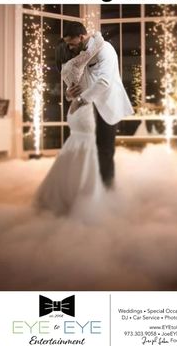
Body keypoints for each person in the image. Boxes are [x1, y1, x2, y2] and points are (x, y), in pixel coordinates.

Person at [34, 33, 105, 216]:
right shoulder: (75, 63)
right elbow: (97, 44)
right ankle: (82, 193)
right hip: (83, 111)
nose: (74, 48)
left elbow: (70, 92)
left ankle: (68, 188)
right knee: (87, 147)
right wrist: (92, 34)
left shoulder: (65, 68)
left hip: (74, 112)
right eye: (71, 47)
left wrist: (68, 95)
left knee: (76, 148)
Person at [63, 22, 134, 188]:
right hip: (88, 108)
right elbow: (75, 81)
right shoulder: (81, 54)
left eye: (71, 43)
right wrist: (69, 94)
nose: (69, 47)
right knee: (87, 150)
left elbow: (104, 81)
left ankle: (107, 188)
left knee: (105, 150)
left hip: (106, 105)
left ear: (81, 37)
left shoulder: (105, 49)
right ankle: (89, 186)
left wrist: (80, 101)